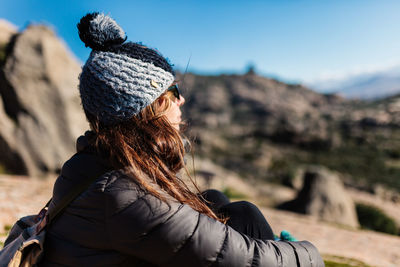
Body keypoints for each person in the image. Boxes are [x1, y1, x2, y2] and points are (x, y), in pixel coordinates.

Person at [41, 12, 324, 266]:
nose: (182, 99)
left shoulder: (96, 162)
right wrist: (304, 252)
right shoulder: (122, 193)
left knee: (216, 200)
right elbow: (247, 258)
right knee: (247, 217)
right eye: (173, 92)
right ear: (147, 107)